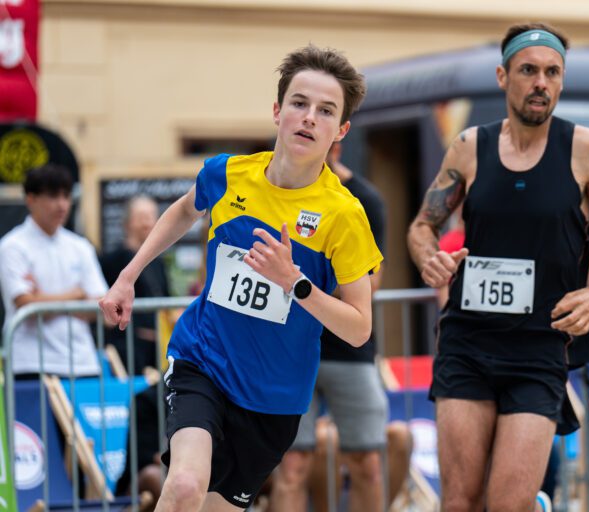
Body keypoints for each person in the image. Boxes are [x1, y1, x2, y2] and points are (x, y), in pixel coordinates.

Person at [98, 45, 382, 512]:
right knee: (184, 485)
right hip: (203, 361)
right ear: (277, 111)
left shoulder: (344, 216)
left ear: (341, 130)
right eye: (299, 103)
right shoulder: (228, 174)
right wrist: (128, 276)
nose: (309, 118)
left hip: (272, 400)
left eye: (326, 110)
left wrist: (294, 282)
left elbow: (359, 327)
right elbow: (183, 210)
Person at [406, 22, 589, 512]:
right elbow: (422, 226)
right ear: (502, 76)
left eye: (552, 72)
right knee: (459, 501)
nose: (541, 82)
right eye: (529, 70)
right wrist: (430, 259)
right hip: (468, 341)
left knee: (508, 504)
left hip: (540, 345)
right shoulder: (470, 146)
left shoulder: (586, 148)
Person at [270, 141, 411, 512]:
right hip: (290, 347)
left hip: (349, 347)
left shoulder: (364, 199)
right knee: (292, 466)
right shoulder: (278, 188)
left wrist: (298, 281)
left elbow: (372, 281)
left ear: (337, 144)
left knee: (367, 463)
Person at [0, 164, 108, 378]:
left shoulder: (80, 246)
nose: (62, 205)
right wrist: (77, 295)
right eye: (52, 196)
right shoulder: (12, 246)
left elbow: (104, 309)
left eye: (66, 196)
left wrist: (42, 300)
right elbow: (25, 305)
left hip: (82, 363)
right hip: (30, 364)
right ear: (31, 199)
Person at [100, 195, 171, 373]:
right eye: (141, 217)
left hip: (158, 346)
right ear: (127, 223)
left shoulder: (158, 262)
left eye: (151, 217)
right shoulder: (112, 259)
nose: (147, 223)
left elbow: (165, 297)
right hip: (127, 346)